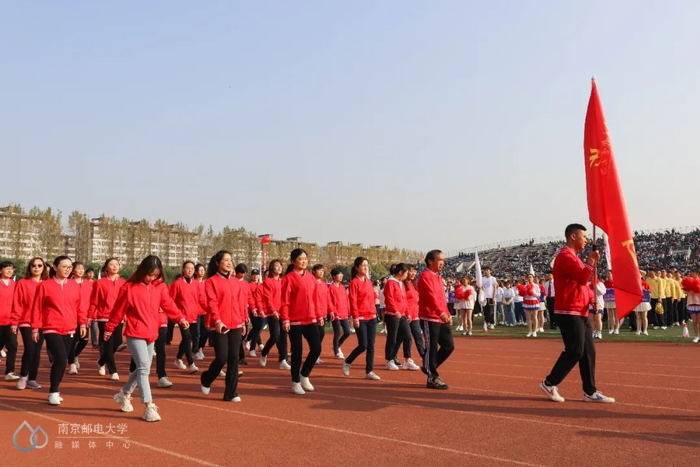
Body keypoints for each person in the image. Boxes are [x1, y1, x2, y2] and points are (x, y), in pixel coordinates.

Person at [540, 224, 614, 404]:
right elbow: (582, 278)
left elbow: (583, 285)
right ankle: (549, 383)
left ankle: (590, 391)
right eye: (584, 237)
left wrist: (591, 299)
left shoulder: (575, 258)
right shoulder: (565, 257)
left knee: (588, 351)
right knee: (575, 350)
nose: (586, 240)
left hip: (580, 310)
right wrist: (591, 260)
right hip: (568, 310)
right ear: (573, 237)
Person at [108, 255, 189, 421]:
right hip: (135, 332)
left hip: (152, 333)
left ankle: (124, 394)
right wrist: (110, 328)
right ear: (142, 271)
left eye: (155, 275)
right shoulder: (129, 287)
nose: (152, 278)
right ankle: (149, 406)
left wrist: (180, 318)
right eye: (149, 274)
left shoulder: (160, 287)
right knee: (144, 368)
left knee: (142, 368)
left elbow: (168, 304)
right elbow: (118, 310)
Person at [31, 256, 87, 405]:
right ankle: (54, 392)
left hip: (70, 327)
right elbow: (37, 308)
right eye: (64, 266)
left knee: (61, 361)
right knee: (61, 358)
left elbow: (80, 307)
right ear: (55, 267)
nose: (68, 270)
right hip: (51, 327)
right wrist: (35, 327)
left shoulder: (75, 286)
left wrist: (82, 324)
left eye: (70, 267)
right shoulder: (45, 285)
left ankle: (55, 389)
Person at [200, 251, 248, 402]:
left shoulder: (235, 282)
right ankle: (207, 378)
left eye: (230, 260)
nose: (229, 262)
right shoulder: (211, 282)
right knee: (222, 357)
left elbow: (240, 302)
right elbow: (212, 303)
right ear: (217, 263)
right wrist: (217, 320)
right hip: (220, 324)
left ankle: (231, 393)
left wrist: (243, 321)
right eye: (226, 260)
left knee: (234, 358)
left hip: (236, 324)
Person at [280, 249, 322, 394]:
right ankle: (295, 382)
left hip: (310, 319)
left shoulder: (311, 277)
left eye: (305, 258)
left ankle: (304, 374)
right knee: (297, 352)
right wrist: (285, 319)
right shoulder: (288, 279)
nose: (303, 261)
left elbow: (315, 299)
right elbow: (284, 301)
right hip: (295, 321)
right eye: (300, 259)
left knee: (316, 348)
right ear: (293, 261)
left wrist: (319, 315)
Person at [418, 250, 454, 389]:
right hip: (430, 317)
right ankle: (432, 377)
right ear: (430, 261)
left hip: (441, 317)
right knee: (431, 347)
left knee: (449, 346)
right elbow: (430, 297)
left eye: (443, 260)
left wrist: (448, 314)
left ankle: (429, 367)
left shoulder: (438, 277)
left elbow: (441, 298)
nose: (442, 263)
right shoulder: (425, 276)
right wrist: (440, 312)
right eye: (440, 260)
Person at [11, 257, 48, 389]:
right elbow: (17, 303)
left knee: (37, 351)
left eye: (39, 265)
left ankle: (32, 379)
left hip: (42, 322)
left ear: (44, 268)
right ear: (29, 267)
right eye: (33, 265)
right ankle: (23, 376)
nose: (36, 268)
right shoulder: (22, 283)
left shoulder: (47, 284)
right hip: (26, 320)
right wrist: (14, 322)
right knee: (30, 348)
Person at [342, 257, 380, 380]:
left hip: (371, 316)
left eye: (367, 265)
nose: (365, 267)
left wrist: (375, 293)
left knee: (371, 346)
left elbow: (372, 297)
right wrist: (355, 318)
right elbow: (353, 301)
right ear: (357, 267)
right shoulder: (354, 283)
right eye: (363, 265)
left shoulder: (369, 282)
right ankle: (348, 361)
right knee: (363, 345)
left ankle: (369, 371)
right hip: (361, 317)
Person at [90, 258, 126, 381]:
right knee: (108, 344)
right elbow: (94, 301)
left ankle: (101, 361)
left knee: (117, 344)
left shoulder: (123, 283)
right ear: (106, 267)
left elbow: (126, 301)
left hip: (118, 317)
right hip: (104, 317)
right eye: (111, 264)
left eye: (116, 264)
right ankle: (113, 371)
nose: (114, 266)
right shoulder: (99, 283)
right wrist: (90, 316)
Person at [170, 261, 205, 374]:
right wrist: (176, 315)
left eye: (192, 268)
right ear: (183, 270)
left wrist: (208, 309)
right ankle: (191, 364)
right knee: (187, 338)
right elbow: (170, 300)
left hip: (194, 316)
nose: (190, 270)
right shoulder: (177, 284)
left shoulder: (197, 284)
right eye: (187, 268)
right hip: (182, 317)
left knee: (188, 339)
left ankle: (178, 359)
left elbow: (201, 299)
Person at [259, 259, 289, 369]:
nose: (279, 268)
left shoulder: (284, 281)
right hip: (273, 313)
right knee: (275, 336)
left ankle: (283, 360)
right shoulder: (268, 281)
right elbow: (268, 298)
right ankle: (264, 352)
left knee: (284, 337)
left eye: (280, 265)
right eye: (276, 266)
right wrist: (273, 311)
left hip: (283, 312)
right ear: (272, 268)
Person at [67, 262, 93, 374]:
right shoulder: (68, 283)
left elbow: (92, 300)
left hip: (84, 316)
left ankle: (75, 355)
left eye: (82, 268)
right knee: (72, 341)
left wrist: (91, 315)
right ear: (72, 270)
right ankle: (72, 364)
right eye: (78, 268)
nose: (81, 270)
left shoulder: (89, 284)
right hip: (71, 316)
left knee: (84, 340)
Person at [0, 261, 18, 382]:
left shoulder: (15, 285)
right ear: (0, 270)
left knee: (13, 345)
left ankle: (9, 372)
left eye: (11, 268)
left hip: (11, 321)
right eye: (6, 268)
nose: (9, 270)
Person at [328, 268, 351, 359]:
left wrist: (348, 311)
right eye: (339, 274)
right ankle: (336, 351)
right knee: (337, 333)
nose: (341, 276)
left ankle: (337, 345)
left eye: (342, 274)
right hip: (335, 314)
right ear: (334, 276)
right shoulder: (331, 287)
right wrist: (332, 311)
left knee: (347, 332)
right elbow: (329, 301)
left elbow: (346, 300)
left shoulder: (342, 287)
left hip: (344, 313)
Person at [404, 265, 425, 362]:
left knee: (418, 337)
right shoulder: (402, 285)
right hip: (405, 315)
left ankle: (424, 357)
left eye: (415, 271)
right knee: (406, 338)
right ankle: (405, 358)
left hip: (415, 315)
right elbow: (403, 301)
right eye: (411, 271)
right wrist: (407, 313)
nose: (413, 273)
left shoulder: (414, 284)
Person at [245, 269, 265, 357]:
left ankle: (248, 340)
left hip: (261, 309)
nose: (255, 276)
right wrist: (252, 308)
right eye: (254, 275)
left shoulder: (261, 285)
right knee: (257, 327)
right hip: (252, 309)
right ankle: (257, 345)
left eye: (257, 275)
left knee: (258, 327)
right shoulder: (249, 285)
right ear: (251, 276)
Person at [193, 263, 209, 360]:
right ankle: (195, 351)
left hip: (205, 311)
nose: (202, 272)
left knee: (206, 332)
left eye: (203, 270)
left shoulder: (207, 283)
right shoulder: (193, 283)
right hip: (195, 312)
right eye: (200, 270)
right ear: (196, 272)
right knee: (196, 333)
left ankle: (200, 349)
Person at [681, 271, 700, 342]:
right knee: (694, 321)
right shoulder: (688, 282)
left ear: (697, 274)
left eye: (693, 273)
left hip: (699, 303)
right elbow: (684, 291)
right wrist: (689, 288)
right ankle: (696, 336)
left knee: (699, 321)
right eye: (691, 274)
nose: (691, 275)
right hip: (691, 303)